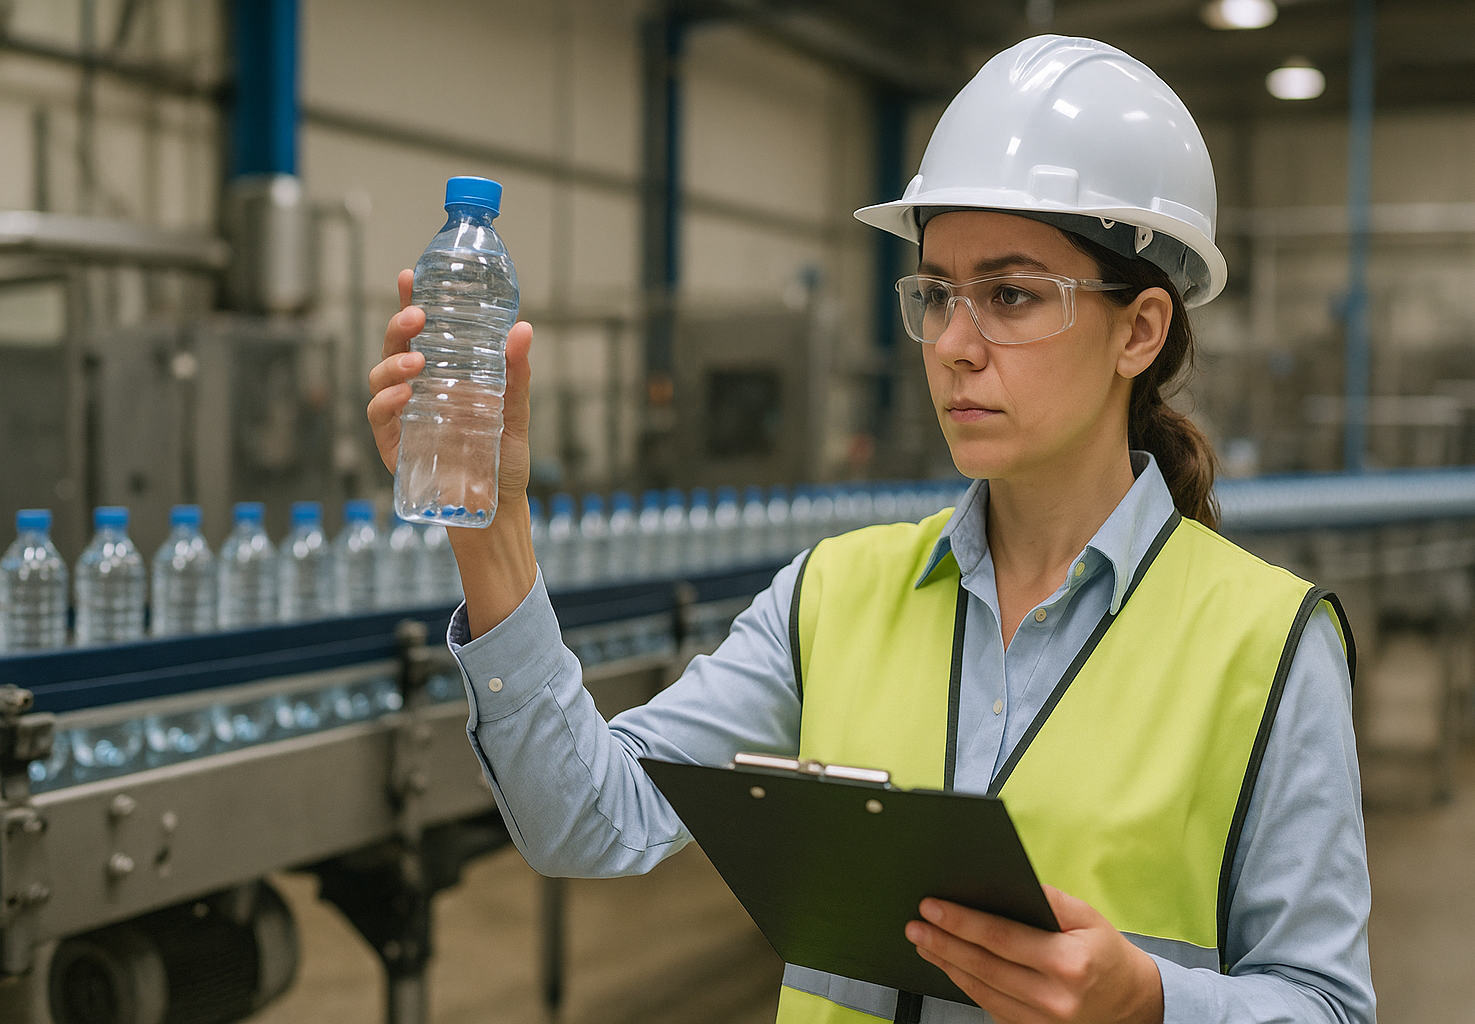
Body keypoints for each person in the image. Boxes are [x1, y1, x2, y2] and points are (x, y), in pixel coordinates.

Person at [367, 35, 1373, 1024]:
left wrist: (1149, 1004)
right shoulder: (832, 597)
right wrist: (490, 524)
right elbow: (590, 817)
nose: (955, 345)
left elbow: (1324, 1004)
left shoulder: (1268, 647)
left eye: (1011, 295)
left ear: (1140, 330)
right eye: (936, 294)